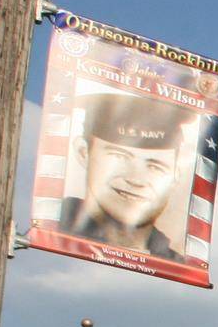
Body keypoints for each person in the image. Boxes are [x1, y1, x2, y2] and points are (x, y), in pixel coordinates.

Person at [59, 89, 192, 259]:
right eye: (119, 157)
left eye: (155, 166)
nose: (136, 180)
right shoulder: (50, 231)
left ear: (176, 176)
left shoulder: (179, 265)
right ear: (83, 152)